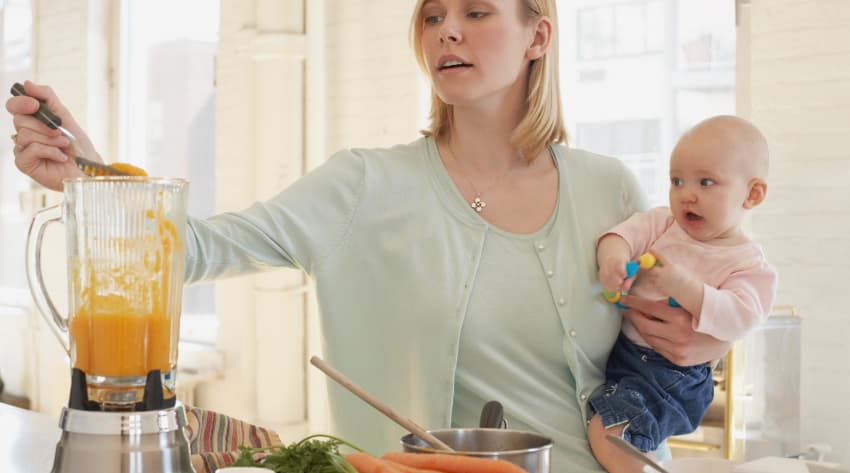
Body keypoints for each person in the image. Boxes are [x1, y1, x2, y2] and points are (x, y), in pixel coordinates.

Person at [6, 1, 733, 470]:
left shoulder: (613, 189)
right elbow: (195, 249)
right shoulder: (362, 186)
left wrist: (707, 333)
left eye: (476, 12)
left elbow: (671, 344)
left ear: (538, 34)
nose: (446, 29)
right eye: (431, 15)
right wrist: (91, 174)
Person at [587, 115, 778, 472]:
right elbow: (621, 235)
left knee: (611, 432)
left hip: (673, 378)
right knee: (606, 422)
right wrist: (612, 259)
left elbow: (741, 317)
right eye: (676, 181)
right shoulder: (663, 223)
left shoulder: (748, 265)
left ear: (752, 194)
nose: (686, 194)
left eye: (706, 182)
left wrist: (686, 288)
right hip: (625, 357)